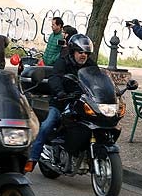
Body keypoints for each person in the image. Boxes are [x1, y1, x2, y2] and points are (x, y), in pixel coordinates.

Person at [28, 34, 94, 164]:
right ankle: (33, 158)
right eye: (80, 52)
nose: (83, 55)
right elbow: (55, 78)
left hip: (82, 103)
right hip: (62, 102)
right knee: (47, 126)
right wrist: (60, 92)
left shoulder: (90, 65)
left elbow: (97, 78)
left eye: (86, 53)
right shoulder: (62, 62)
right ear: (72, 51)